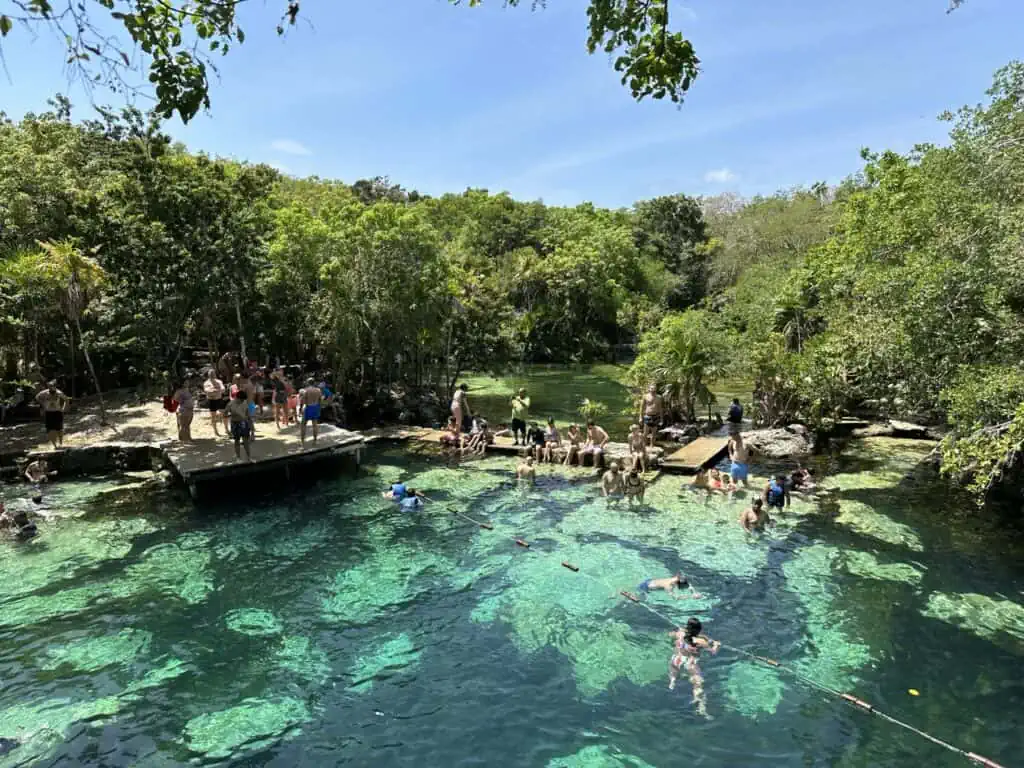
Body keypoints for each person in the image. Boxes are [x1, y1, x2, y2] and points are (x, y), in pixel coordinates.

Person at [669, 617, 720, 717]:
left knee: (674, 671)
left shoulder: (680, 634)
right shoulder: (700, 641)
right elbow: (713, 652)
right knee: (698, 683)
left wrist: (680, 631)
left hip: (676, 659)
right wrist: (717, 645)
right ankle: (699, 703)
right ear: (698, 630)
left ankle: (672, 682)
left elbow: (670, 635)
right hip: (690, 663)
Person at [35, 381, 70, 449]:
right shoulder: (44, 393)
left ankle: (60, 443)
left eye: (53, 386)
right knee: (50, 429)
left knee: (59, 429)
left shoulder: (59, 393)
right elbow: (37, 397)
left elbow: (66, 399)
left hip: (57, 412)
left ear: (55, 387)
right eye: (50, 386)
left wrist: (64, 408)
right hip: (48, 412)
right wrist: (43, 404)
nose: (51, 388)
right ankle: (54, 445)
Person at [225, 388, 253, 462]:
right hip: (235, 423)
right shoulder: (230, 404)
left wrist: (252, 430)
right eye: (241, 400)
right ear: (237, 397)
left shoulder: (244, 402)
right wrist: (231, 414)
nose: (242, 401)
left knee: (246, 441)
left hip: (244, 423)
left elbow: (248, 415)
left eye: (243, 400)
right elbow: (225, 414)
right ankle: (238, 458)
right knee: (237, 440)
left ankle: (249, 457)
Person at [203, 369, 227, 436]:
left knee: (224, 414)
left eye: (213, 373)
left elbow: (223, 389)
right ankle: (215, 431)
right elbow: (208, 391)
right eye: (211, 374)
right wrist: (217, 391)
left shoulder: (219, 381)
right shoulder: (206, 383)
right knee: (213, 417)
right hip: (211, 401)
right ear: (208, 375)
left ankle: (226, 429)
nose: (212, 375)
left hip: (219, 399)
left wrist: (214, 390)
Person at [299, 379, 322, 444]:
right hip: (315, 407)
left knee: (303, 425)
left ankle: (302, 442)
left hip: (308, 407)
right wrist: (319, 409)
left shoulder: (306, 390)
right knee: (315, 425)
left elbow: (302, 401)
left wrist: (300, 409)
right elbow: (320, 401)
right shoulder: (318, 390)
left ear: (308, 383)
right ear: (314, 383)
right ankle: (315, 441)